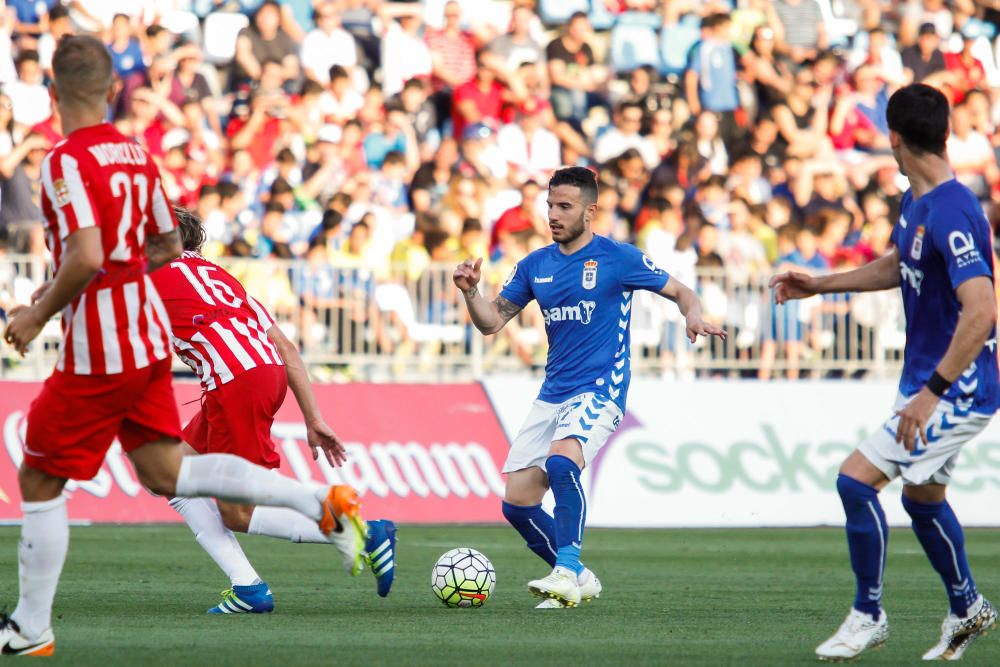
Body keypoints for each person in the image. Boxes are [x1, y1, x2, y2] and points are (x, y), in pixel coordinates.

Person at [0, 36, 366, 656]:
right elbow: (166, 248)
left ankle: (32, 627)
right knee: (167, 473)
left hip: (102, 345)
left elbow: (88, 255)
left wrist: (37, 314)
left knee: (39, 475)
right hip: (147, 352)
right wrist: (100, 274)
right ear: (114, 91)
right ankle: (317, 504)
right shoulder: (138, 156)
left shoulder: (61, 159)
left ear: (55, 94)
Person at [771, 83, 999, 661]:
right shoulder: (917, 201)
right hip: (929, 381)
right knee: (922, 501)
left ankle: (868, 615)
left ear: (894, 138)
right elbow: (903, 264)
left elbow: (983, 309)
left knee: (854, 481)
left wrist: (931, 393)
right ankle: (968, 607)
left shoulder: (952, 210)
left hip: (956, 388)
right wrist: (818, 285)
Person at [453, 167, 726, 608]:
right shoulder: (534, 265)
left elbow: (681, 291)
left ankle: (564, 569)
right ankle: (579, 577)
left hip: (602, 388)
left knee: (562, 464)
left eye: (565, 207)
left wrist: (692, 315)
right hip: (553, 392)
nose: (554, 215)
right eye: (550, 206)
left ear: (590, 212)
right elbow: (491, 323)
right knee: (517, 504)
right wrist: (470, 293)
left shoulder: (619, 258)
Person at [152, 208, 398, 613]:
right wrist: (313, 417)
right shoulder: (221, 277)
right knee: (167, 475)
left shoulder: (150, 274)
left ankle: (360, 533)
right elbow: (284, 345)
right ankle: (248, 586)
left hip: (235, 383)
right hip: (262, 374)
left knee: (238, 512)